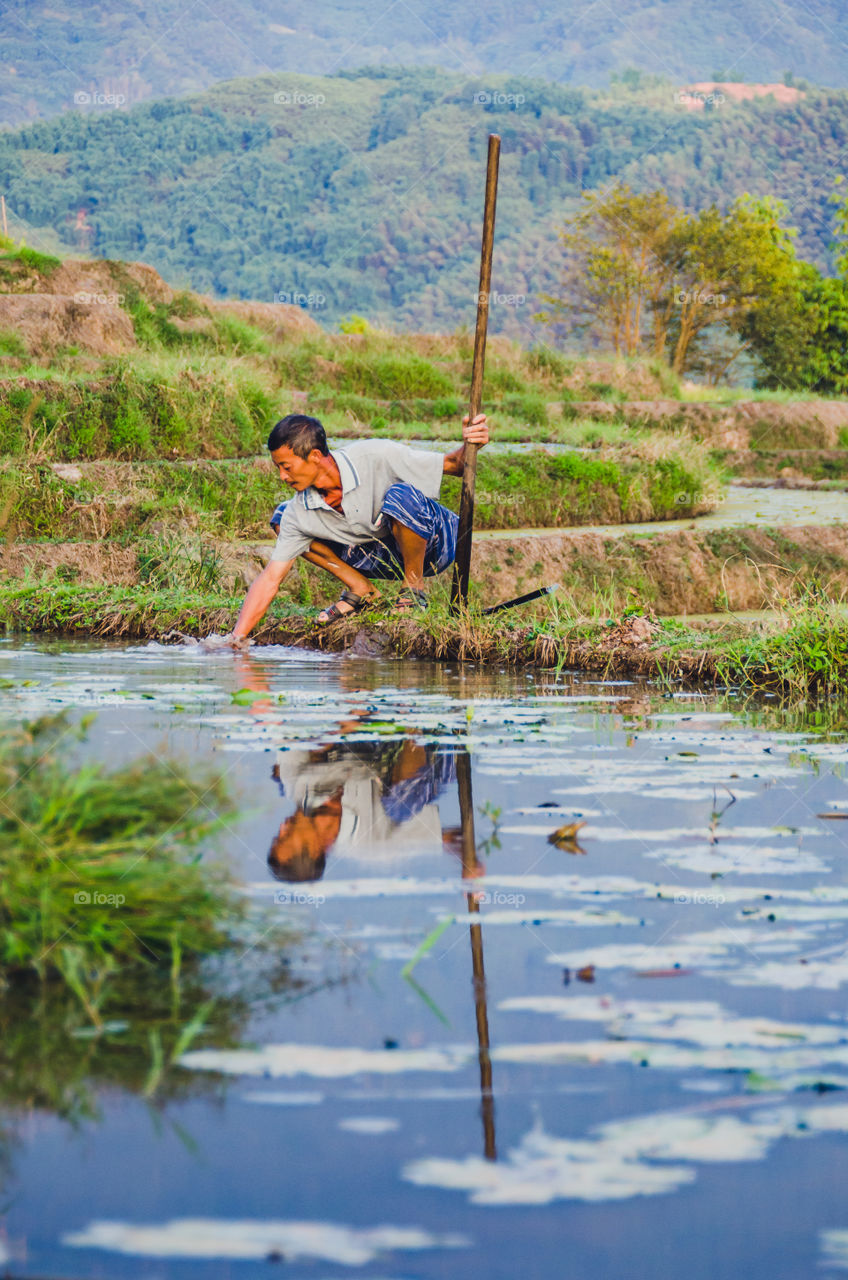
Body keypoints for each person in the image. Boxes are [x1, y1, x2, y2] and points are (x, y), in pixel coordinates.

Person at [229, 409, 489, 638]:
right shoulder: (302, 509)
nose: (282, 476)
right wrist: (235, 639)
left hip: (436, 543)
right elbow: (271, 578)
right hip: (379, 550)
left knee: (401, 496)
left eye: (286, 466)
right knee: (283, 516)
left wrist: (471, 442)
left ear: (315, 455)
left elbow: (455, 465)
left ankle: (413, 589)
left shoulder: (376, 455)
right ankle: (361, 588)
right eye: (278, 468)